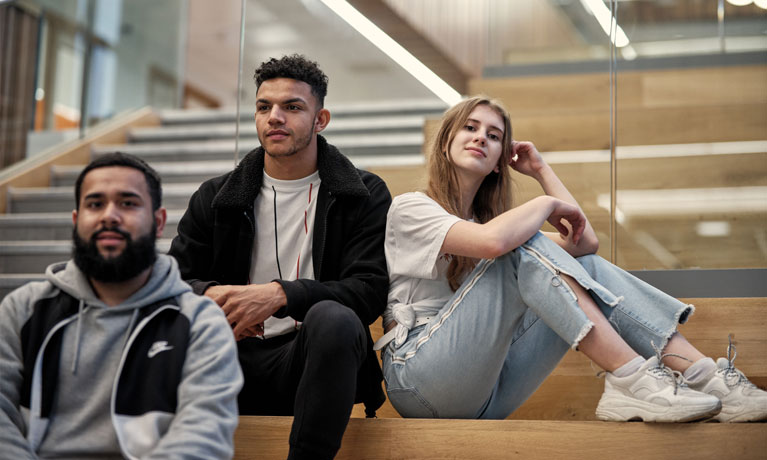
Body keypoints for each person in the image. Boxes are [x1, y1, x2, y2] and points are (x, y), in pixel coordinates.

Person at [376, 96, 767, 423]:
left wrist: (542, 170)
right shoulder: (411, 209)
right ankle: (633, 380)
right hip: (417, 377)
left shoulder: (495, 225)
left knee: (581, 268)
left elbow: (585, 246)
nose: (481, 137)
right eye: (470, 128)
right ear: (446, 141)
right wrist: (545, 203)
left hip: (485, 392)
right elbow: (494, 242)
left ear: (499, 160)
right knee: (521, 247)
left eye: (493, 136)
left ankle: (707, 377)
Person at [168, 54, 391, 459]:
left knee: (335, 318)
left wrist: (278, 295)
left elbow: (368, 291)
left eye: (292, 107)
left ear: (320, 119)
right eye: (263, 106)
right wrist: (214, 298)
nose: (274, 117)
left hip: (311, 362)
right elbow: (174, 283)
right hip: (227, 360)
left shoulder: (362, 193)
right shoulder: (216, 197)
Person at [0, 152, 243, 459]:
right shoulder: (23, 310)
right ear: (76, 221)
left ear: (158, 223)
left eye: (128, 203)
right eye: (95, 204)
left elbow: (203, 438)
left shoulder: (199, 323)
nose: (109, 216)